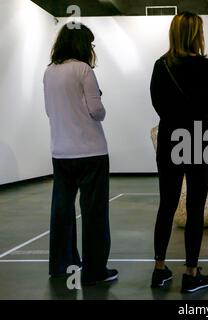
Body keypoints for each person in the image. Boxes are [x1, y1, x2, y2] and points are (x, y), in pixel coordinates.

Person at [150, 12, 208, 293]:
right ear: (197, 34)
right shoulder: (206, 67)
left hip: (170, 136)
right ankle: (191, 273)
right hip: (198, 136)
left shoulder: (161, 65)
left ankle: (159, 269)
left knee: (166, 205)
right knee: (195, 208)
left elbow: (157, 104)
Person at [43, 23, 118, 285]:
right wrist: (96, 98)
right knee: (94, 213)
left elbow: (49, 111)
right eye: (90, 44)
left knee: (62, 211)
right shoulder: (83, 70)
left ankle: (61, 265)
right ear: (82, 45)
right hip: (91, 152)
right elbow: (97, 112)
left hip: (61, 152)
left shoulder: (49, 72)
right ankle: (95, 271)